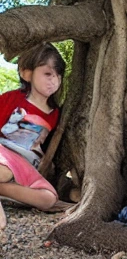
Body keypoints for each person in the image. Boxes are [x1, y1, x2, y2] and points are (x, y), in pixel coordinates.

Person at [0, 42, 66, 230]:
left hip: (25, 166)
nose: (54, 80)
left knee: (48, 198)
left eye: (58, 75)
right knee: (3, 171)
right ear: (26, 74)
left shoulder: (55, 114)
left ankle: (2, 189)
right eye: (47, 73)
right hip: (4, 154)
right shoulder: (12, 99)